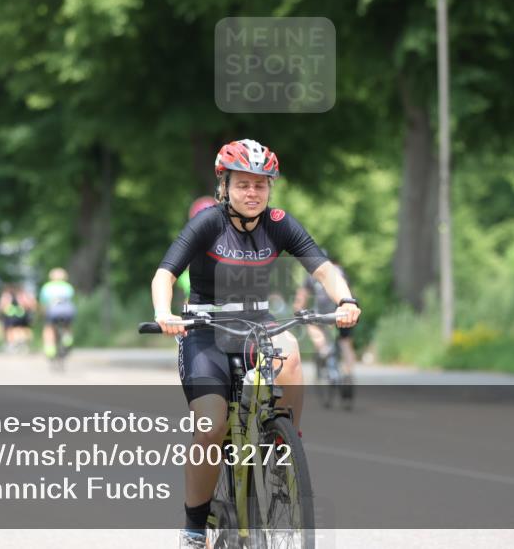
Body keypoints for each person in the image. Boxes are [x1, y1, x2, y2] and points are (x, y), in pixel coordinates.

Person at [150, 139, 361, 548]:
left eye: (261, 185)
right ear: (224, 185)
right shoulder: (208, 223)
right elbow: (165, 274)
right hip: (205, 330)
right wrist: (164, 313)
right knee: (211, 426)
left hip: (256, 324)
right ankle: (195, 528)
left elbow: (322, 268)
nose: (252, 193)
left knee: (293, 351)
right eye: (243, 184)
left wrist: (345, 299)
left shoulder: (280, 223)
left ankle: (283, 444)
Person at [293, 249, 356, 379]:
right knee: (345, 342)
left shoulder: (312, 274)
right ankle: (349, 374)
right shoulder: (339, 270)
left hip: (323, 309)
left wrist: (298, 310)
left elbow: (302, 296)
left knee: (311, 324)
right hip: (346, 308)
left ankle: (323, 349)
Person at [39, 269, 76, 358]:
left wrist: (42, 313)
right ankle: (67, 339)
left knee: (49, 328)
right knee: (67, 325)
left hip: (53, 311)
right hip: (67, 311)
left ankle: (50, 349)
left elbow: (43, 303)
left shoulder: (47, 287)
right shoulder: (68, 287)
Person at [0, 283, 35, 353]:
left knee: (11, 329)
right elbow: (31, 304)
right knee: (21, 329)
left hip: (11, 314)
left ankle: (13, 344)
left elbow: (3, 305)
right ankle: (21, 344)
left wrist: (0, 313)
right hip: (21, 314)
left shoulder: (8, 295)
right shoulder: (24, 295)